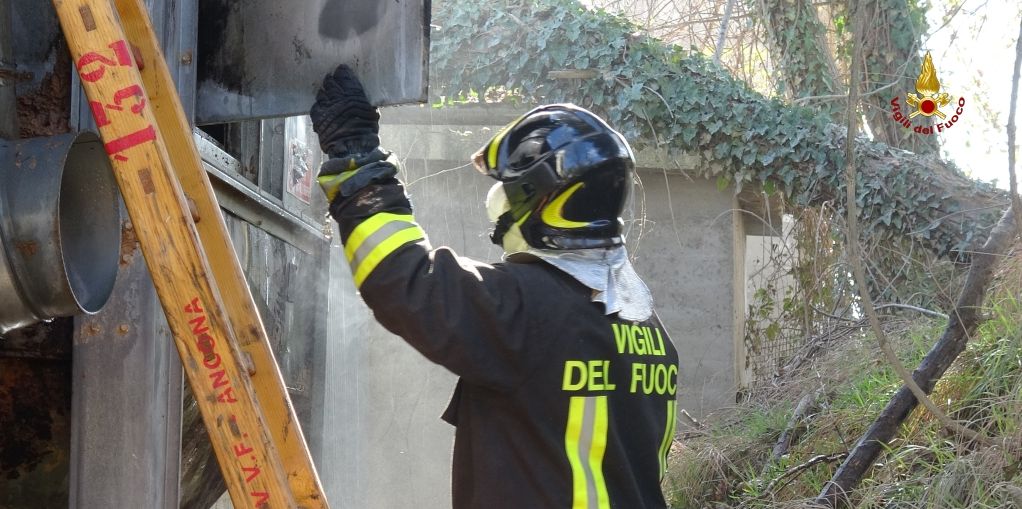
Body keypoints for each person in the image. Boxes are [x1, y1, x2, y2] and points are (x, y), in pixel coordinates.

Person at [311, 64, 680, 509]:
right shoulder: (652, 333)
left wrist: (358, 162)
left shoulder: (528, 306)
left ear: (538, 195)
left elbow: (401, 277)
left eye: (507, 189)